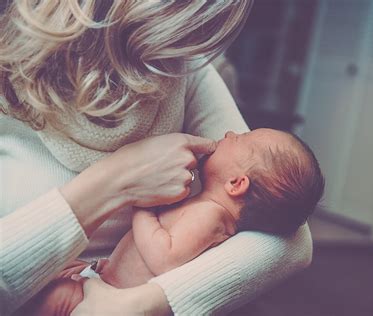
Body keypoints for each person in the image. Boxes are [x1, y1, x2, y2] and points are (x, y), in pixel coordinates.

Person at [0, 1, 314, 315]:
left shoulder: (184, 64)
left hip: (104, 288)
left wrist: (140, 305)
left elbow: (293, 240)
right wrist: (121, 182)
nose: (230, 135)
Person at [27, 128, 325, 315]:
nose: (231, 132)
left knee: (55, 297)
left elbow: (165, 257)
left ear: (236, 183)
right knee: (52, 272)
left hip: (111, 298)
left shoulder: (210, 216)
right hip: (105, 276)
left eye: (241, 139)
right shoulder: (205, 206)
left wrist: (140, 205)